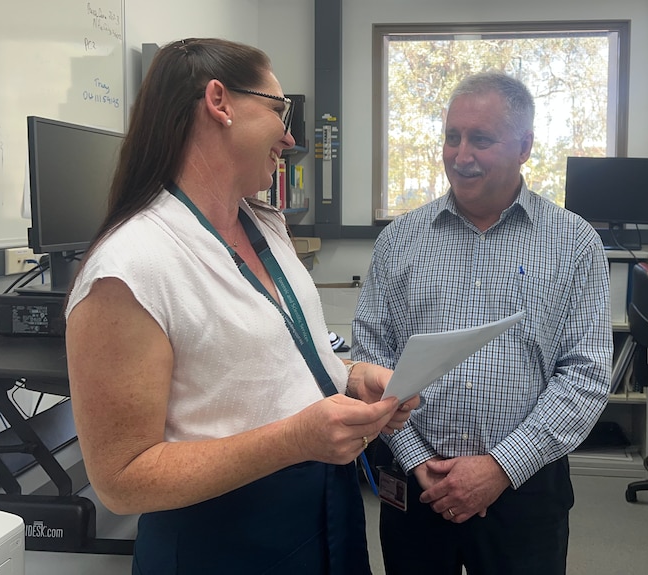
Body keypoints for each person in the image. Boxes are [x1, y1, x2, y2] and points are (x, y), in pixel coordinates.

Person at [64, 38, 418, 575]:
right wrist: (295, 438)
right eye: (280, 110)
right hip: (221, 539)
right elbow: (121, 479)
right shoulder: (130, 267)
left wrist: (348, 377)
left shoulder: (264, 225)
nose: (291, 135)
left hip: (324, 512)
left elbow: (252, 364)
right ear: (219, 102)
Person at [351, 71, 612, 575]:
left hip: (524, 486)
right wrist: (415, 459)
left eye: (481, 139)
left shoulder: (574, 243)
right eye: (452, 136)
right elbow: (372, 358)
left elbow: (585, 374)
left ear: (525, 147)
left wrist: (499, 466)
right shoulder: (399, 241)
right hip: (415, 482)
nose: (460, 154)